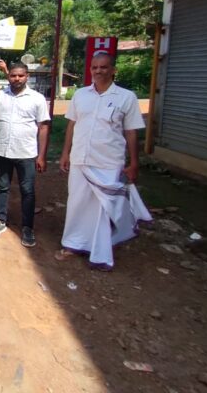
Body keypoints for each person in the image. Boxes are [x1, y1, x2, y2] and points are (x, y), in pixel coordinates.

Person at [56, 52, 150, 270]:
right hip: (80, 160)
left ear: (113, 70)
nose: (98, 71)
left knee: (101, 208)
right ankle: (73, 244)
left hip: (108, 162)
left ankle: (99, 253)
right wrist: (65, 153)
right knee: (77, 203)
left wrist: (134, 163)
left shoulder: (126, 97)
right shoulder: (81, 95)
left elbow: (131, 132)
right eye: (95, 67)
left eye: (103, 67)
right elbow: (71, 125)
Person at [0, 62, 50, 248]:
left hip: (26, 152)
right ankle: (0, 220)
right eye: (13, 75)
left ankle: (27, 227)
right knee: (1, 186)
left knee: (27, 190)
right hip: (2, 150)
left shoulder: (37, 98)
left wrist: (41, 156)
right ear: (8, 76)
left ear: (27, 76)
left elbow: (43, 127)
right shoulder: (0, 96)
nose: (16, 79)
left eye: (20, 75)